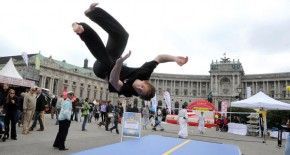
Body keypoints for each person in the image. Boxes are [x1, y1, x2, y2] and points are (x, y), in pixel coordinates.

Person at [73, 3, 188, 101]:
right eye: (143, 86)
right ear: (145, 81)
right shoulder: (144, 73)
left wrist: (119, 64)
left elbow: (114, 80)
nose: (139, 88)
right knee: (122, 36)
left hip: (102, 69)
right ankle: (93, 13)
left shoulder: (128, 91)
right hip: (114, 58)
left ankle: (83, 31)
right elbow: (159, 58)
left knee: (110, 63)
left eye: (140, 92)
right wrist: (175, 59)